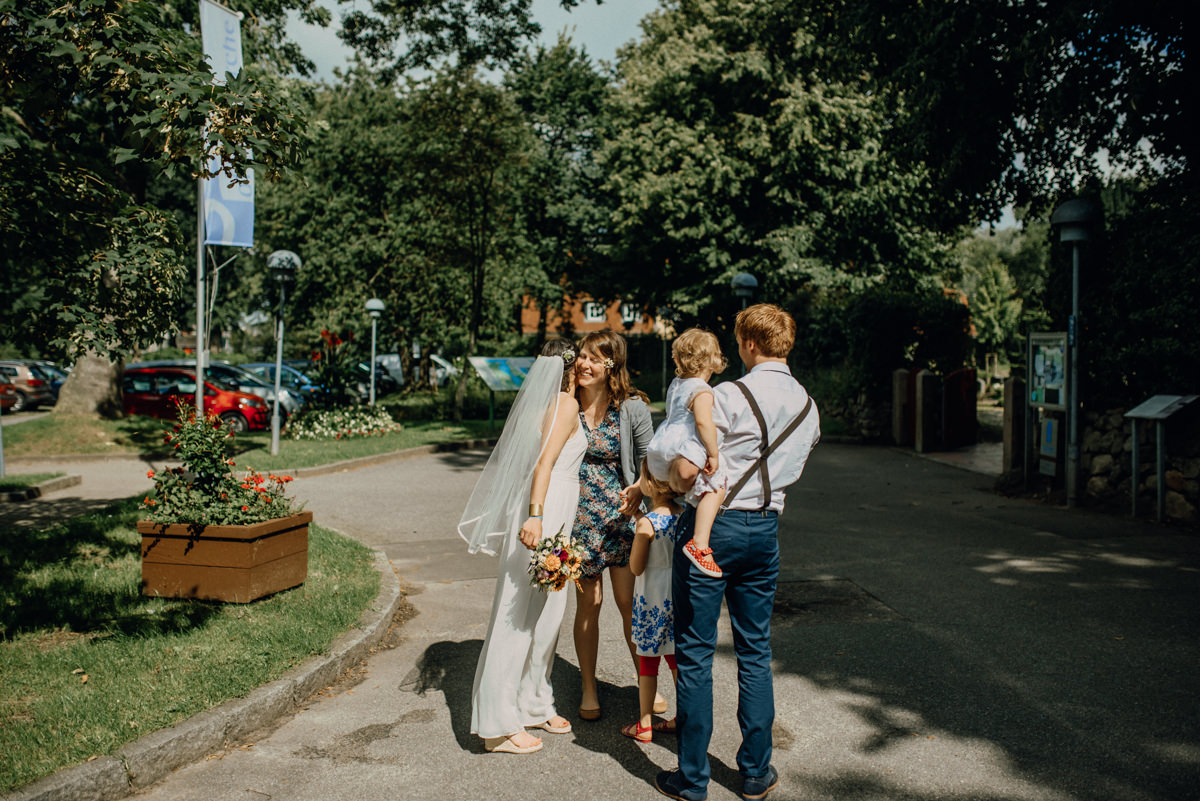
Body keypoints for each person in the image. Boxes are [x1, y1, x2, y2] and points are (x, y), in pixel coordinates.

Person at [655, 304, 820, 801]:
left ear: (749, 343)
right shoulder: (809, 406)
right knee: (754, 650)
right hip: (765, 529)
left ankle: (693, 778)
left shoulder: (726, 394)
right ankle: (753, 772)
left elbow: (686, 473)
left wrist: (662, 484)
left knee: (697, 650)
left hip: (713, 527)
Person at [457, 339, 585, 755]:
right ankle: (496, 725)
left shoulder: (542, 403)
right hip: (544, 513)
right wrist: (535, 516)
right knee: (516, 618)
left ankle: (530, 702)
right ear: (568, 366)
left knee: (541, 615)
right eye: (579, 358)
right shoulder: (565, 404)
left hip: (552, 513)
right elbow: (543, 465)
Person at [571, 330, 655, 722]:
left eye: (594, 358)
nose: (584, 364)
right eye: (582, 356)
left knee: (627, 605)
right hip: (578, 519)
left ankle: (645, 683)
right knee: (590, 602)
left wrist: (639, 489)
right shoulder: (564, 405)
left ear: (611, 365)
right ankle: (589, 687)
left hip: (621, 519)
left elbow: (651, 461)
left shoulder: (631, 408)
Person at [645, 328, 728, 578]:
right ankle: (700, 543)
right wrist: (713, 453)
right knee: (717, 484)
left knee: (690, 486)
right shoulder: (702, 390)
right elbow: (703, 423)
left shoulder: (677, 384)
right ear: (711, 359)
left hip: (665, 443)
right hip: (686, 444)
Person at [622, 458, 683, 744]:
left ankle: (645, 723)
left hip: (651, 599)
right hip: (678, 596)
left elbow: (636, 567)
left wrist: (637, 529)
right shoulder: (684, 515)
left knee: (648, 662)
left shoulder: (647, 524)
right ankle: (684, 716)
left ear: (651, 483)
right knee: (675, 659)